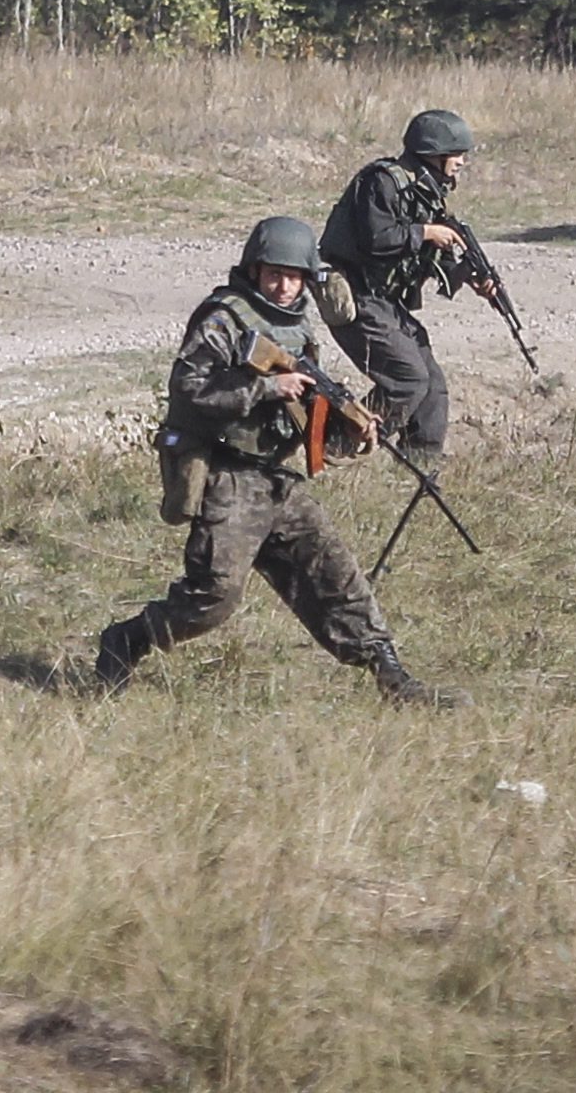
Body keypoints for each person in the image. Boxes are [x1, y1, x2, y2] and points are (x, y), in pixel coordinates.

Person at [92, 218, 461, 707]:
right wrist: (267, 387)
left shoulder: (298, 328)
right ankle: (127, 640)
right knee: (213, 597)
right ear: (254, 268)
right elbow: (189, 386)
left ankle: (390, 675)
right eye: (273, 273)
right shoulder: (224, 319)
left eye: (293, 276)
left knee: (336, 576)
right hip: (230, 475)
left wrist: (349, 429)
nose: (283, 285)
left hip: (280, 479)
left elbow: (306, 410)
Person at [318, 109, 488, 460]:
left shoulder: (428, 192)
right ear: (433, 153)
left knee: (432, 385)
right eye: (456, 155)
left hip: (385, 301)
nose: (461, 163)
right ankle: (333, 443)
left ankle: (421, 464)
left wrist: (469, 277)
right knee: (407, 379)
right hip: (358, 294)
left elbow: (428, 263)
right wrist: (427, 232)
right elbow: (378, 238)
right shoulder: (382, 181)